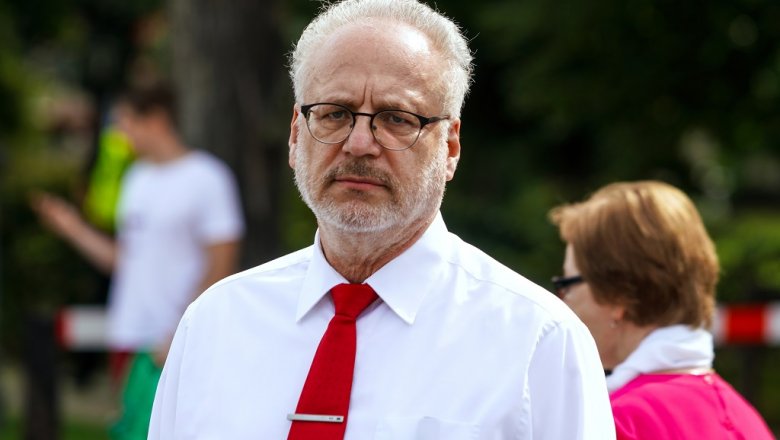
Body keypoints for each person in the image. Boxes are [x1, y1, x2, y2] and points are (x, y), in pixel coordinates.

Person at [148, 0, 615, 438]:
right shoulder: (215, 324)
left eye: (396, 118)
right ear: (295, 134)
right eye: (334, 114)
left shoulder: (535, 341)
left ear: (450, 147)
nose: (359, 144)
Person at [31, 82, 245, 439]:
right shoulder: (136, 178)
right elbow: (127, 262)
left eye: (125, 121)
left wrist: (182, 331)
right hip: (128, 337)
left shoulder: (208, 178)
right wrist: (72, 228)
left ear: (157, 120)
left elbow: (222, 264)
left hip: (172, 342)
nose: (118, 133)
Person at [549, 180, 775, 440]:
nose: (563, 301)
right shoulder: (744, 416)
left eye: (567, 284)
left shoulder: (616, 423)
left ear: (617, 295)